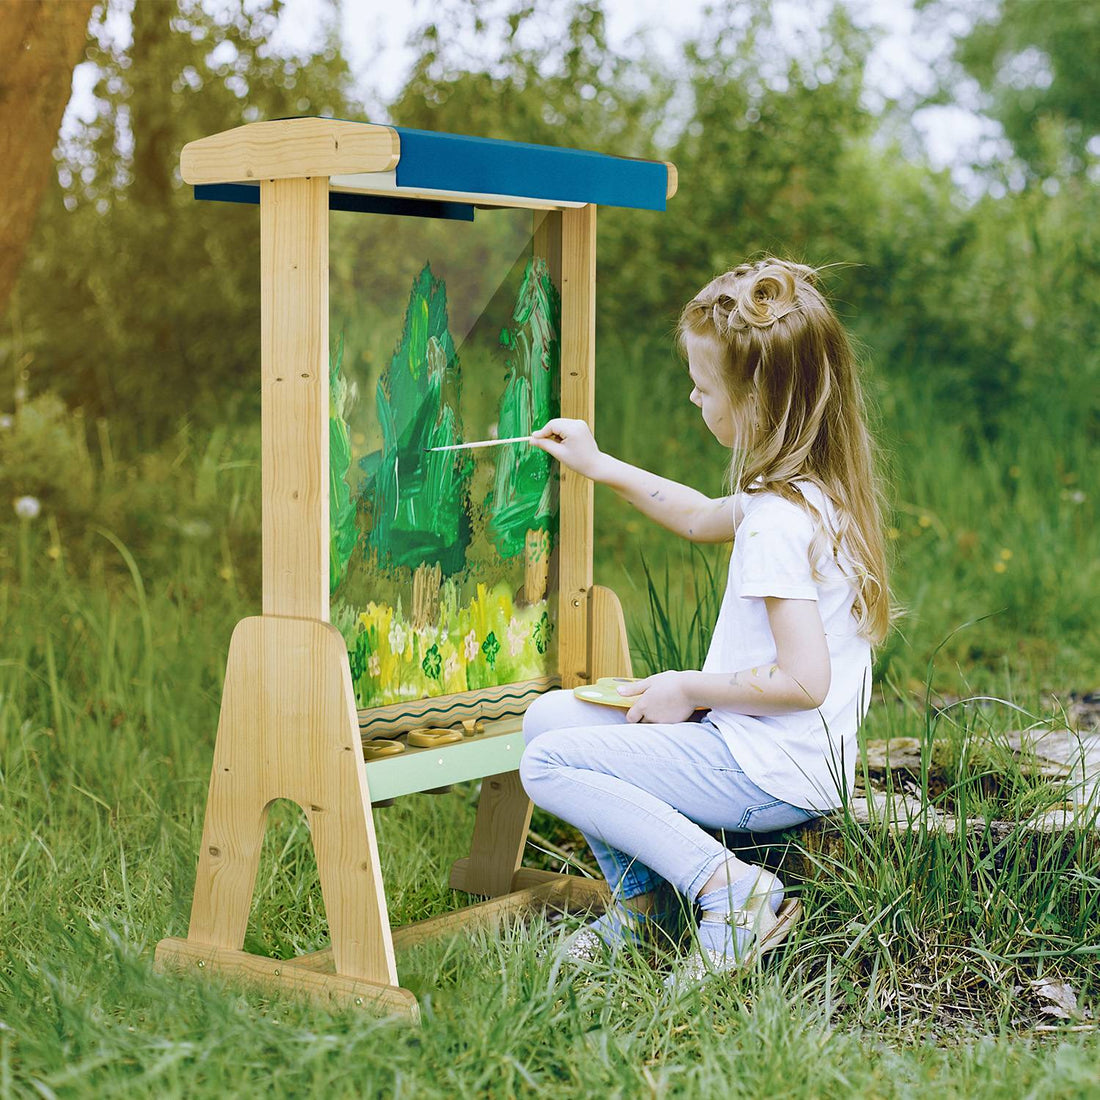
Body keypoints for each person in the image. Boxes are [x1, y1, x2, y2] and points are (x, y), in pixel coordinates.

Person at [519, 257, 893, 980]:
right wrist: (598, 464)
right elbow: (695, 515)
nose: (693, 398)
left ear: (756, 399)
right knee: (547, 719)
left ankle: (733, 893)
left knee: (548, 761)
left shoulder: (780, 521)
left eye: (702, 386)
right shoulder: (802, 491)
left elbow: (804, 679)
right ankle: (643, 907)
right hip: (769, 753)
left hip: (769, 774)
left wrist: (687, 687)